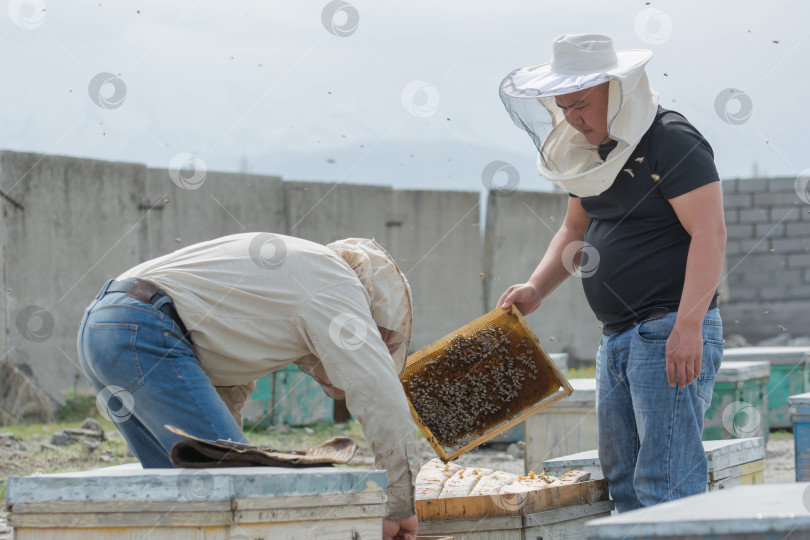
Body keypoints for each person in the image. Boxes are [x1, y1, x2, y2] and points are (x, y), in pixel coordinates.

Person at [497, 34, 726, 512]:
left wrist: (688, 327)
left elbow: (711, 235)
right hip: (617, 338)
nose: (572, 118)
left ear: (617, 89)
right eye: (563, 108)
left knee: (665, 486)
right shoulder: (589, 152)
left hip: (667, 331)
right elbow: (574, 229)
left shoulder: (672, 140)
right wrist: (536, 286)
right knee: (622, 485)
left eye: (580, 104)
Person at [77, 232, 419, 540]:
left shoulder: (294, 278)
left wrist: (229, 449)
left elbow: (226, 386)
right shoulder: (336, 288)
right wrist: (399, 507)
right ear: (370, 310)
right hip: (144, 331)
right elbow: (380, 394)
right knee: (236, 494)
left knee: (186, 501)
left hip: (102, 327)